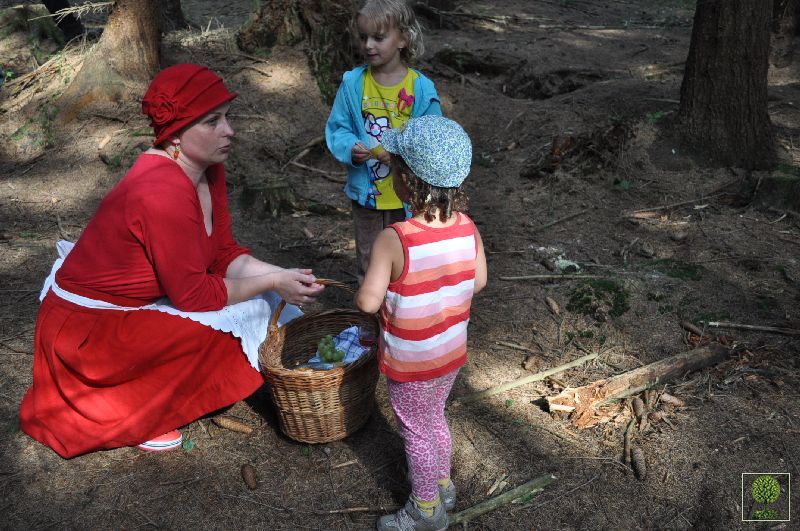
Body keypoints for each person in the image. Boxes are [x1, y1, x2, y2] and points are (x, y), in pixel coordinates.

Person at [19, 64, 324, 458]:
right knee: (229, 324)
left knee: (260, 304)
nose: (229, 130)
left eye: (227, 117)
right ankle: (133, 408)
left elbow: (223, 254)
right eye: (212, 121)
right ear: (176, 132)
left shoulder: (208, 169)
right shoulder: (161, 191)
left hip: (136, 306)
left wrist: (283, 276)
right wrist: (270, 283)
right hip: (91, 333)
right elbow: (194, 296)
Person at [355, 116, 487, 530]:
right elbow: (479, 280)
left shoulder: (394, 239)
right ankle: (443, 485)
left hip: (412, 360)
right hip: (450, 352)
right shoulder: (468, 227)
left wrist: (371, 291)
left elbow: (368, 300)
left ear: (405, 181)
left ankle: (426, 509)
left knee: (414, 430)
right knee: (434, 417)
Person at [325, 0, 442, 285]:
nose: (368, 45)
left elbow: (434, 136)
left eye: (378, 37)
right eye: (363, 37)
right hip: (367, 194)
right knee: (369, 257)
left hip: (408, 195)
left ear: (403, 39)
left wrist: (403, 155)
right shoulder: (354, 84)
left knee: (405, 255)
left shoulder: (420, 88)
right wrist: (350, 147)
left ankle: (403, 307)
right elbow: (338, 127)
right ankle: (370, 308)